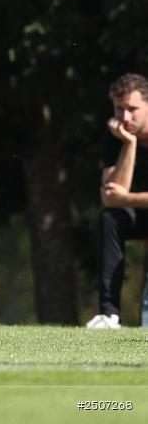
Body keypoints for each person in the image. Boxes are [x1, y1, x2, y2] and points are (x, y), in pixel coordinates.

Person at [86, 73, 148, 329]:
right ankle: (109, 316)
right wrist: (129, 145)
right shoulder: (116, 136)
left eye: (133, 109)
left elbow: (120, 196)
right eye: (119, 109)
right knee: (110, 218)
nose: (125, 117)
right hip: (138, 215)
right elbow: (113, 196)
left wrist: (127, 199)